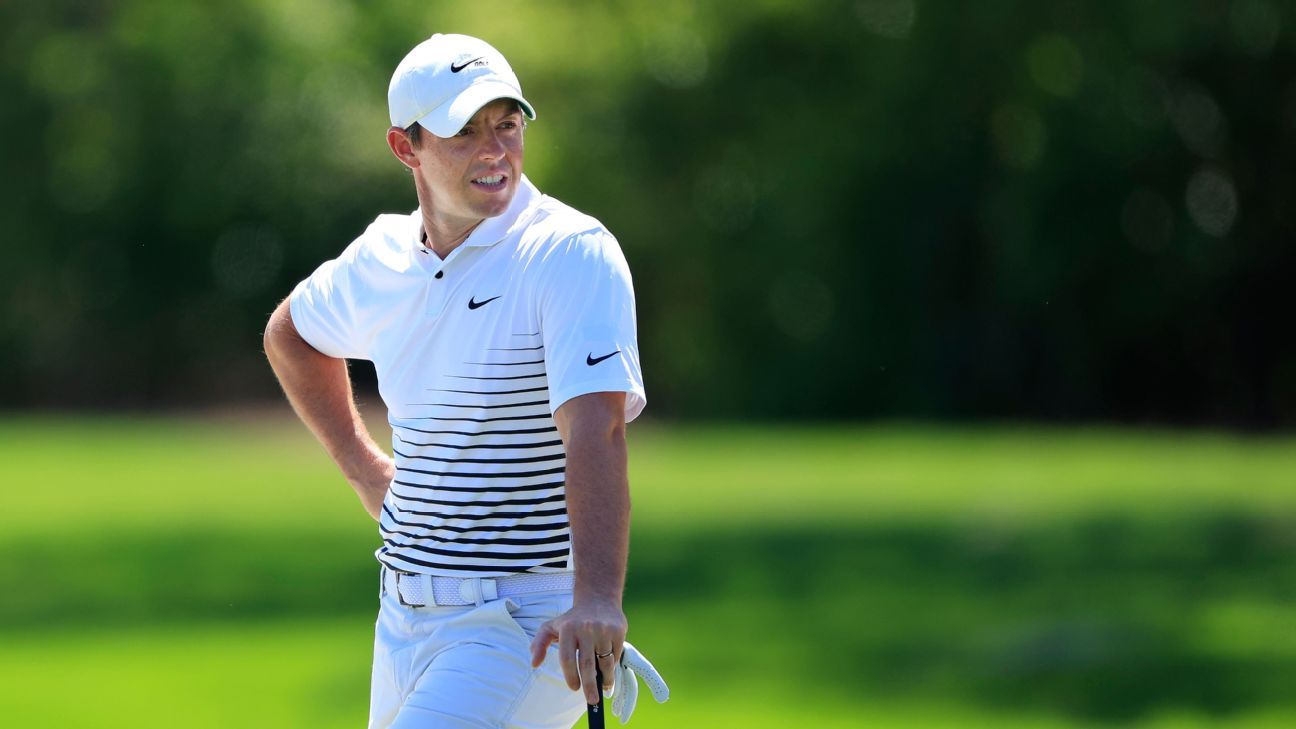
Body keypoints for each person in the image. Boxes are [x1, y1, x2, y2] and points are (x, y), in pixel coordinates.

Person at [263, 33, 667, 729]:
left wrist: (599, 596)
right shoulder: (383, 256)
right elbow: (292, 336)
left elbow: (595, 428)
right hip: (401, 619)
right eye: (464, 131)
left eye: (507, 124)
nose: (495, 149)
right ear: (405, 147)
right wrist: (364, 469)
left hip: (525, 623)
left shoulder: (568, 252)